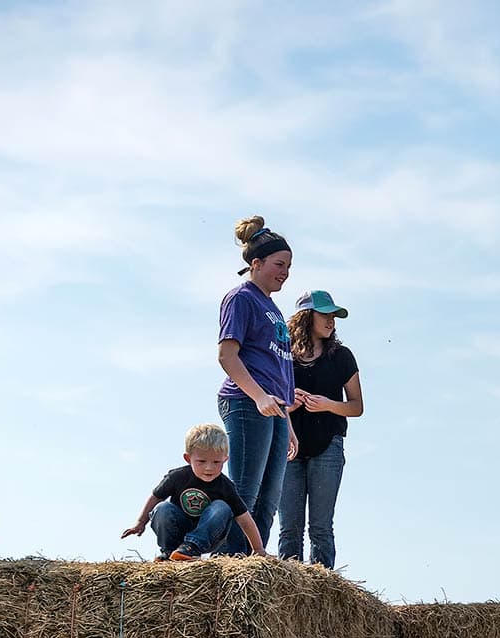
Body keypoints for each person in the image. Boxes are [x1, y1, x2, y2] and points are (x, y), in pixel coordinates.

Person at [218, 215, 296, 544]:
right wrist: (258, 396)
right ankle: (231, 561)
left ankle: (257, 563)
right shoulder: (241, 298)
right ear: (256, 263)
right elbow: (227, 355)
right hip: (246, 401)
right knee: (245, 494)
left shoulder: (274, 308)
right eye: (279, 264)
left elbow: (279, 372)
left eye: (289, 266)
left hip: (276, 409)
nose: (285, 272)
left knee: (269, 499)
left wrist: (287, 422)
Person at [279, 288, 363, 568]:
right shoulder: (282, 356)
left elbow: (356, 406)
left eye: (334, 316)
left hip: (328, 447)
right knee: (289, 529)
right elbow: (268, 402)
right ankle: (288, 587)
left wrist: (328, 404)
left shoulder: (342, 356)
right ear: (306, 316)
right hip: (288, 448)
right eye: (325, 315)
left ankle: (322, 588)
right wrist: (288, 405)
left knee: (321, 527)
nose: (331, 321)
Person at [125, 424, 270, 559]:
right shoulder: (177, 477)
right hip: (179, 527)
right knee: (162, 508)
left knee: (221, 507)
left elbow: (245, 519)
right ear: (188, 458)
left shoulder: (225, 486)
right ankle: (170, 552)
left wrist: (258, 549)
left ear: (225, 459)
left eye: (216, 462)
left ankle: (192, 547)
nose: (209, 468)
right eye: (201, 461)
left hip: (209, 535)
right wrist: (140, 523)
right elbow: (155, 497)